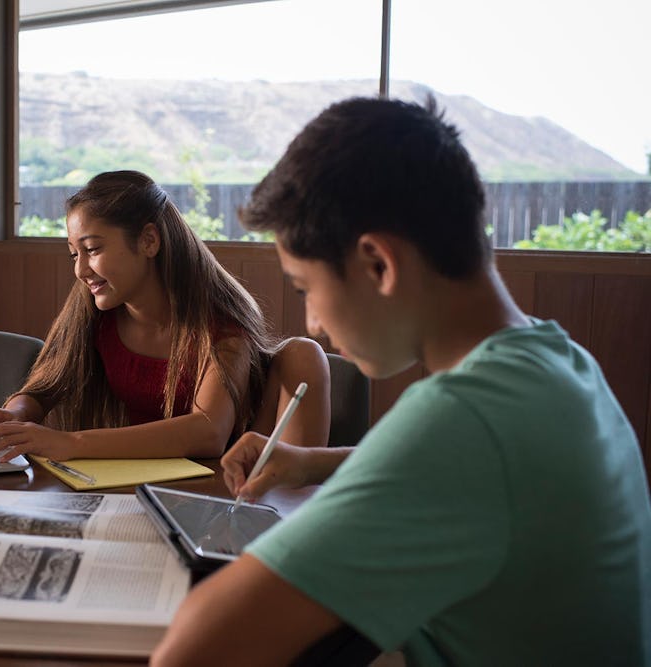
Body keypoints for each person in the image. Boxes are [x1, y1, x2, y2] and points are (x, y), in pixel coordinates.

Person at [151, 97, 651, 666]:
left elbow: (194, 651)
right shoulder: (558, 360)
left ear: (378, 265)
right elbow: (473, 478)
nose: (312, 321)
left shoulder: (464, 419)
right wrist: (313, 462)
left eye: (304, 288)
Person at [0, 170, 331, 462]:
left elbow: (208, 432)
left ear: (149, 241)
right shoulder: (95, 309)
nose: (81, 270)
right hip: (140, 485)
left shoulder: (220, 323)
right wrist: (11, 416)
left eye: (93, 249)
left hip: (216, 494)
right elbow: (45, 388)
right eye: (73, 254)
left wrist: (71, 443)